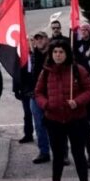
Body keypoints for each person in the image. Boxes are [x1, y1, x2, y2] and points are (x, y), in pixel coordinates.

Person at [34, 39, 90, 181]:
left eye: (61, 52)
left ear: (67, 54)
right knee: (58, 154)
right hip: (54, 120)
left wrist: (78, 101)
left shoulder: (77, 70)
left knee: (78, 153)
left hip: (76, 119)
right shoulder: (46, 71)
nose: (58, 55)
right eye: (55, 52)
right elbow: (38, 92)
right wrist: (45, 104)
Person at [28, 32, 52, 164]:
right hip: (35, 95)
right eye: (36, 38)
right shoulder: (32, 55)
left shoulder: (53, 53)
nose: (39, 41)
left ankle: (63, 152)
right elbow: (27, 73)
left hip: (51, 94)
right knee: (39, 125)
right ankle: (44, 152)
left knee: (56, 124)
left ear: (47, 39)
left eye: (41, 38)